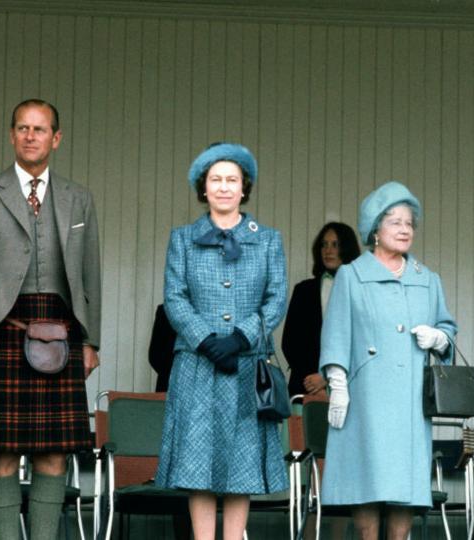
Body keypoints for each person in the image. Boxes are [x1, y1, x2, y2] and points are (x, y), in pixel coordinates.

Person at [0, 99, 101, 540]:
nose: (30, 135)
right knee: (4, 450)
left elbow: (91, 276)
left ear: (56, 138)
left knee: (54, 451)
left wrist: (92, 340)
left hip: (62, 329)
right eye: (22, 128)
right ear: (12, 135)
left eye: (40, 129)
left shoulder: (79, 197)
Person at [155, 142, 288, 540]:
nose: (225, 187)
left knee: (241, 465)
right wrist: (205, 339)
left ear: (244, 187)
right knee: (197, 463)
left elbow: (276, 298)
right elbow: (174, 297)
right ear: (203, 187)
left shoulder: (267, 240)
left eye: (232, 180)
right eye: (216, 180)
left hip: (247, 365)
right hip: (197, 364)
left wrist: (241, 338)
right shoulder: (182, 239)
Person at [319, 181, 457, 540]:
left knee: (404, 492)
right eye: (395, 221)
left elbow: (448, 329)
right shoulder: (352, 275)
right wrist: (337, 385)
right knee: (366, 486)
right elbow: (336, 334)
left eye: (409, 223)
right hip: (366, 399)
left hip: (410, 401)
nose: (404, 229)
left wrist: (440, 337)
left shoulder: (428, 280)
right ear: (375, 230)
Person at [282, 222, 361, 398]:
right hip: (306, 385)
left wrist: (327, 378)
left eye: (335, 245)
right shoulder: (303, 290)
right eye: (324, 244)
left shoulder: (361, 290)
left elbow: (363, 342)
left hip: (351, 386)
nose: (328, 250)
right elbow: (290, 342)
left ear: (347, 248)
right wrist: (313, 381)